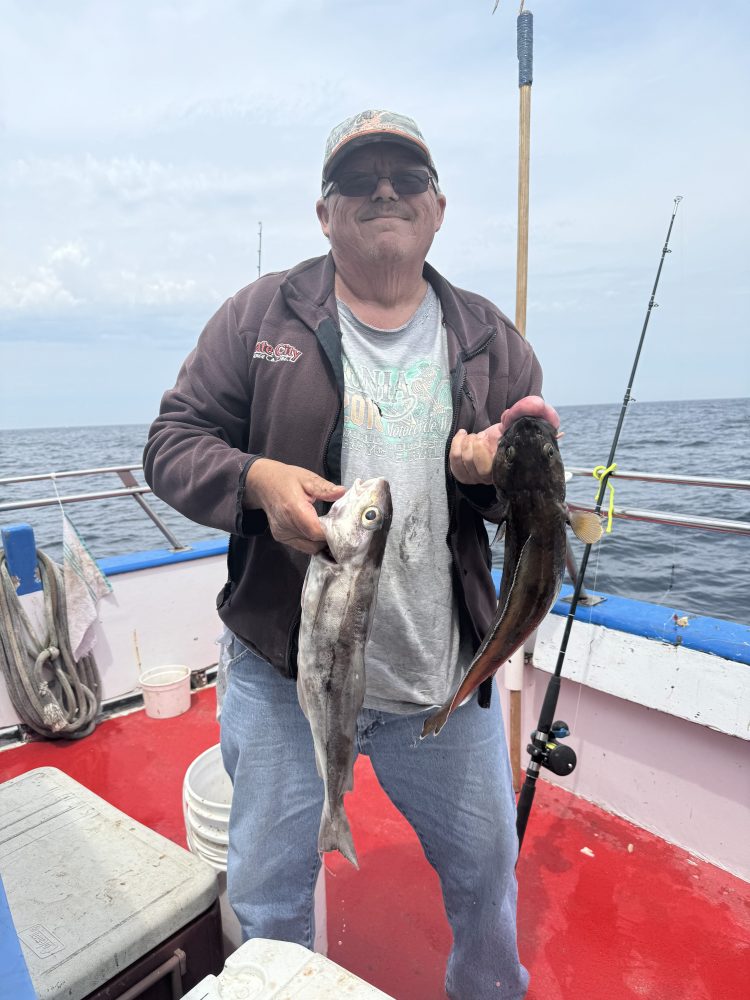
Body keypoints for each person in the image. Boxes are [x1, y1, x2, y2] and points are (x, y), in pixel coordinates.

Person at [144, 109, 557, 1000]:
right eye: (359, 178)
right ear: (323, 212)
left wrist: (487, 474)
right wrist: (253, 480)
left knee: (489, 885)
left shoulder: (490, 340)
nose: (384, 191)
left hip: (442, 688)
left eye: (406, 177)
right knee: (269, 899)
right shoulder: (262, 315)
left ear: (438, 208)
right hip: (280, 681)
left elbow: (520, 503)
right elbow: (170, 443)